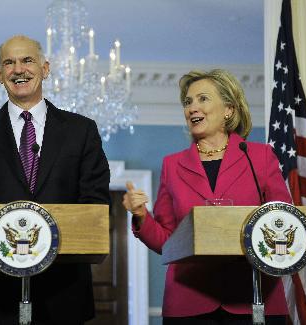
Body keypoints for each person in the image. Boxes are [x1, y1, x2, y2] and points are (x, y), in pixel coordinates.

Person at [0, 35, 110, 324]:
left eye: (27, 60)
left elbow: (95, 204)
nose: (18, 69)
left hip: (64, 293)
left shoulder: (81, 131)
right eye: (9, 62)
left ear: (45, 69)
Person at [123, 69, 292, 324]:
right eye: (187, 102)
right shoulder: (172, 165)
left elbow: (283, 219)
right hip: (189, 302)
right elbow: (167, 242)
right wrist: (140, 216)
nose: (192, 108)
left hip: (254, 298)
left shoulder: (259, 157)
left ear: (229, 110)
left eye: (202, 99)